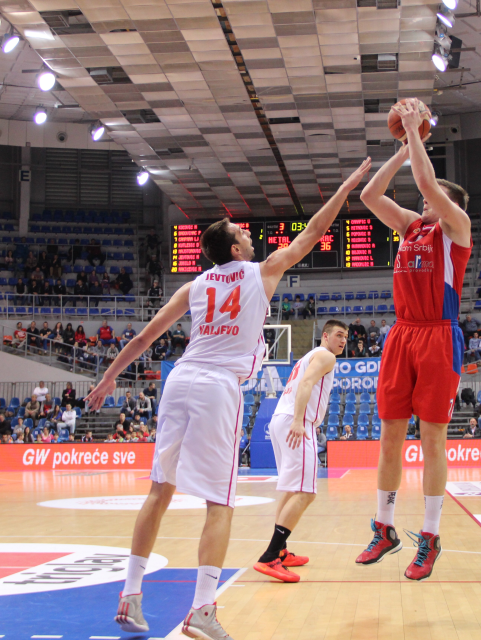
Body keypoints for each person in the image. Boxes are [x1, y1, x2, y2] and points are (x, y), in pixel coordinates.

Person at [85, 157, 373, 637]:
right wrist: (347, 185)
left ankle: (130, 596)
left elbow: (144, 340)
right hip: (218, 385)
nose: (249, 234)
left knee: (160, 491)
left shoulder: (194, 285)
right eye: (243, 231)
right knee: (220, 503)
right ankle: (202, 610)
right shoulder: (261, 272)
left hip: (178, 380)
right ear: (237, 248)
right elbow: (316, 230)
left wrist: (109, 377)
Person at [354, 103, 471, 580]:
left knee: (433, 440)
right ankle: (384, 528)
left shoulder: (456, 228)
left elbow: (427, 185)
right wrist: (403, 147)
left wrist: (415, 137)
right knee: (389, 438)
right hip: (402, 334)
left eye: (434, 198)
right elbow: (369, 194)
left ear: (450, 202)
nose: (425, 201)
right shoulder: (411, 226)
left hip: (439, 335)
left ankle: (430, 536)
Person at [251, 320, 348, 583]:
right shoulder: (326, 356)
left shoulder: (308, 356)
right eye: (338, 335)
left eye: (346, 337)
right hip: (295, 422)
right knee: (306, 492)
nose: (343, 341)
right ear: (325, 336)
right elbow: (306, 384)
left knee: (291, 489)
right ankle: (270, 556)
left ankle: (280, 551)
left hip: (282, 420)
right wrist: (299, 420)